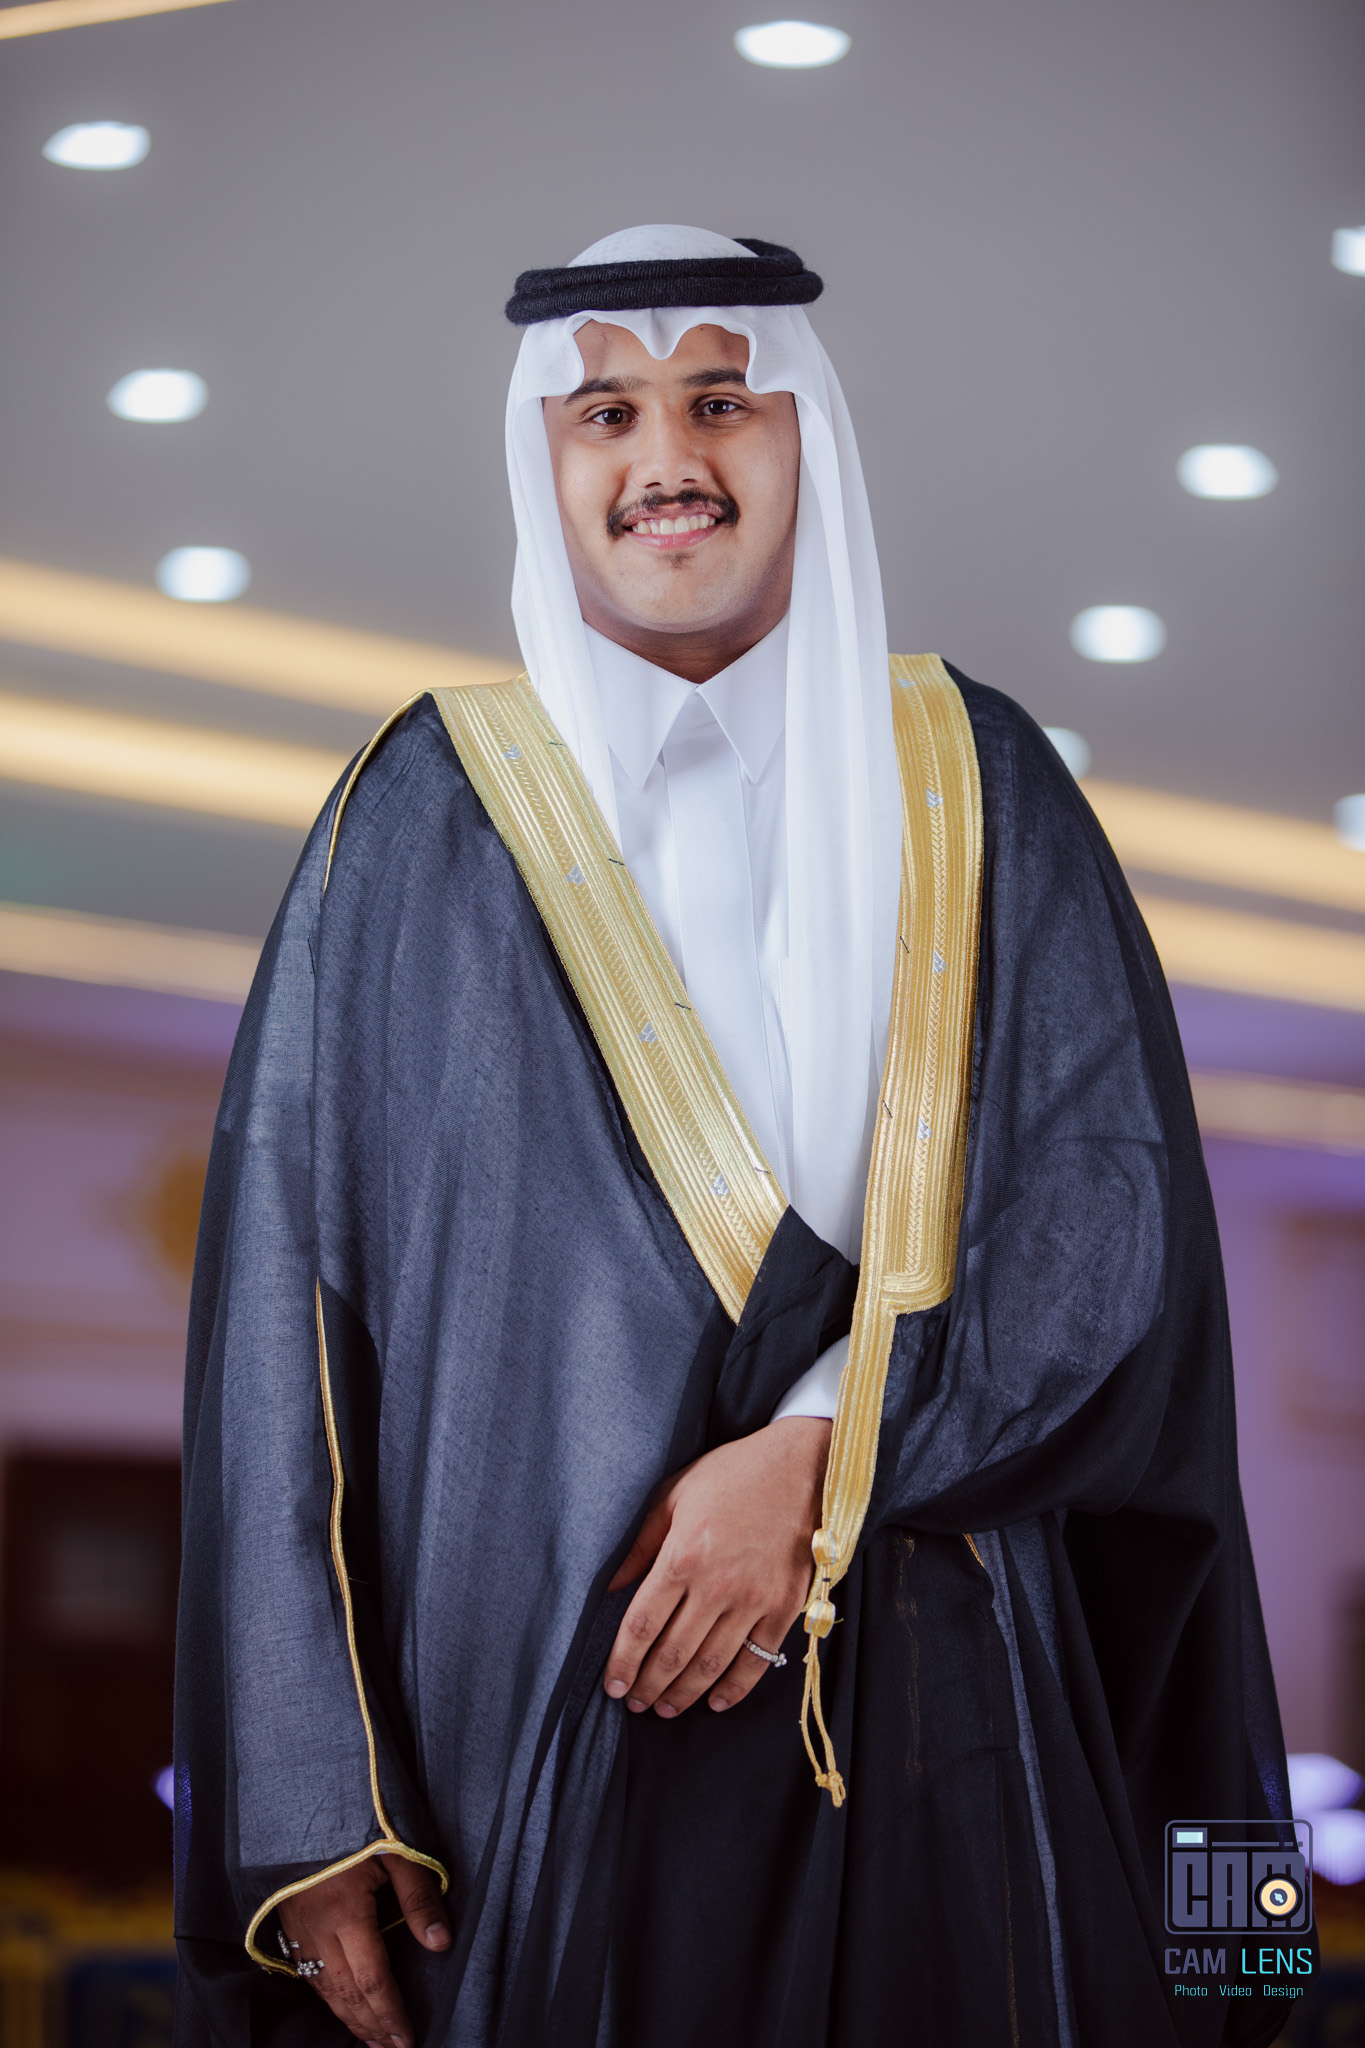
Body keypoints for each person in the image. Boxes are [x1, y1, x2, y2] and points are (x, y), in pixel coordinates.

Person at [174, 226, 1298, 2048]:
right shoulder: (422, 810)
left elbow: (1106, 1237)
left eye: (720, 402)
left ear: (804, 438)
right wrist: (310, 1804)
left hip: (950, 1704)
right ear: (545, 458)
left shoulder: (981, 775)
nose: (665, 458)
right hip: (534, 1731)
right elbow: (288, 1323)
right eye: (606, 413)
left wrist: (820, 1451)